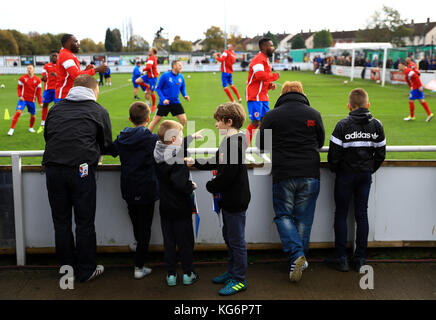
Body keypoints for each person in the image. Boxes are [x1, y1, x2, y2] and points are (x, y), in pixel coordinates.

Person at [43, 74, 113, 283]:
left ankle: (67, 269)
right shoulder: (98, 110)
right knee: (84, 222)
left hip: (53, 168)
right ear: (94, 90)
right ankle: (86, 270)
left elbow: (48, 136)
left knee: (61, 222)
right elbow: (107, 145)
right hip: (81, 170)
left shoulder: (56, 108)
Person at [256, 81, 324, 283]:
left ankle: (296, 257)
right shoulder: (314, 113)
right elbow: (320, 142)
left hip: (283, 172)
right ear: (302, 93)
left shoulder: (271, 115)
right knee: (304, 219)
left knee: (283, 216)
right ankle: (299, 259)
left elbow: (260, 145)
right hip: (310, 172)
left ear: (282, 94)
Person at [190, 102, 250, 296]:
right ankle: (232, 272)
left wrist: (211, 186)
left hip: (235, 199)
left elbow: (228, 174)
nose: (216, 125)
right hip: (230, 198)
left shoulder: (234, 143)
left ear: (229, 121)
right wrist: (196, 162)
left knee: (236, 240)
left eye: (218, 121)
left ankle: (239, 279)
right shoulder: (231, 141)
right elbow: (218, 161)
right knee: (230, 238)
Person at [326, 88, 386, 272]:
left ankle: (341, 258)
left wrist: (339, 170)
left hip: (345, 175)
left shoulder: (342, 125)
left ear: (349, 106)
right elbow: (381, 154)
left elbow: (333, 156)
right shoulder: (377, 125)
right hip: (364, 176)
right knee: (362, 215)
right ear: (368, 105)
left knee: (341, 214)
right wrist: (368, 169)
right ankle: (360, 258)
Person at [109, 101, 159, 279]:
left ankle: (138, 246)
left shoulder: (123, 137)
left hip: (128, 187)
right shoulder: (152, 139)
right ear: (148, 118)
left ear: (130, 118)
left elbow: (112, 150)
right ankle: (139, 266)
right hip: (147, 187)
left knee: (138, 222)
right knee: (145, 227)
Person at [153, 120, 202, 286]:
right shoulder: (177, 158)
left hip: (165, 205)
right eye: (180, 136)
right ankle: (188, 274)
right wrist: (191, 186)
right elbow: (180, 183)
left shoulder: (159, 151)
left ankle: (171, 275)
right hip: (180, 207)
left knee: (169, 241)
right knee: (185, 242)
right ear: (173, 140)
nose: (182, 138)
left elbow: (176, 148)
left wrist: (190, 137)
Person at [245, 37, 280, 146]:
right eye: (271, 45)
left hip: (263, 96)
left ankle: (261, 148)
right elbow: (259, 76)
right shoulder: (258, 59)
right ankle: (243, 148)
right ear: (264, 47)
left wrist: (269, 85)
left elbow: (262, 80)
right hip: (255, 96)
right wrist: (274, 76)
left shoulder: (266, 60)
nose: (273, 48)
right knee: (255, 122)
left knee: (265, 122)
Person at [55, 34, 108, 102]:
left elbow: (73, 75)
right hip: (64, 96)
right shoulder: (66, 55)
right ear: (67, 43)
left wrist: (86, 70)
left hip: (68, 95)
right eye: (76, 41)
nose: (78, 44)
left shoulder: (67, 54)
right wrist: (96, 69)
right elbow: (76, 76)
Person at [147, 60, 190, 132]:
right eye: (179, 65)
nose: (181, 67)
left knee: (183, 119)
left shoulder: (181, 76)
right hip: (164, 103)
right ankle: (146, 135)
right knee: (156, 120)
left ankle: (177, 134)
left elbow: (182, 88)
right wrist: (163, 99)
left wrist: (185, 95)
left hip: (175, 102)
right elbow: (158, 88)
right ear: (174, 66)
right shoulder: (165, 75)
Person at [8, 65, 42, 136]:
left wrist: (40, 102)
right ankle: (11, 129)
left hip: (32, 101)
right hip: (23, 100)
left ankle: (31, 128)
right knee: (18, 112)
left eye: (30, 68)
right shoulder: (22, 78)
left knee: (33, 116)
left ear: (33, 70)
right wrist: (20, 95)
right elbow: (18, 88)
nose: (29, 70)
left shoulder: (38, 80)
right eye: (28, 68)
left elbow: (38, 93)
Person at [38, 51, 58, 134]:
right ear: (50, 57)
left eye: (55, 56)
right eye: (52, 56)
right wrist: (44, 78)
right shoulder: (46, 66)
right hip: (48, 89)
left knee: (57, 106)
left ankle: (57, 123)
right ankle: (43, 122)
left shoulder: (61, 66)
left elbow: (63, 77)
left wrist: (56, 75)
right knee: (45, 104)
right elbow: (43, 77)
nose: (54, 57)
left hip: (57, 89)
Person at [136, 48, 159, 113]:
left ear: (153, 52)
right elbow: (150, 68)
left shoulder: (151, 58)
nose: (148, 51)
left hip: (152, 77)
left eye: (150, 51)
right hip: (148, 75)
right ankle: (147, 87)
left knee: (150, 93)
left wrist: (142, 70)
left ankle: (153, 106)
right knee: (137, 81)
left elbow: (148, 67)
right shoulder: (152, 58)